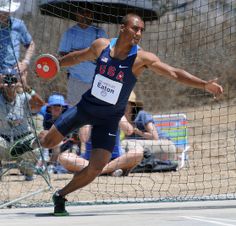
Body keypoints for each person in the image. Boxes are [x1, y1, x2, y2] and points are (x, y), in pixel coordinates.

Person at [34, 13, 222, 215]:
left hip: (109, 119)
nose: (139, 33)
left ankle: (60, 195)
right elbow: (79, 57)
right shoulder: (101, 46)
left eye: (142, 30)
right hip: (85, 108)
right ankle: (32, 139)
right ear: (123, 28)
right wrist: (56, 64)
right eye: (135, 28)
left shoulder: (141, 59)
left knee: (97, 166)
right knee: (47, 143)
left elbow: (174, 73)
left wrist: (204, 85)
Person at [58, 115, 143, 177]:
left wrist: (117, 113)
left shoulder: (116, 111)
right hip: (90, 161)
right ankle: (109, 171)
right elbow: (84, 138)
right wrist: (89, 116)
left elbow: (129, 131)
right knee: (63, 157)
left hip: (115, 160)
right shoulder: (88, 113)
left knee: (138, 153)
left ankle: (100, 171)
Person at [58, 8, 108, 104]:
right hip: (75, 79)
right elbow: (63, 55)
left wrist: (76, 53)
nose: (85, 15)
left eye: (88, 12)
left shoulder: (100, 32)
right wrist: (89, 53)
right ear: (76, 14)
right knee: (74, 111)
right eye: (81, 12)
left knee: (94, 113)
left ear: (92, 14)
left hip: (96, 80)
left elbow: (105, 55)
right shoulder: (70, 33)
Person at [0, 74, 45, 181]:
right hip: (4, 141)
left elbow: (40, 104)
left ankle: (28, 170)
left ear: (17, 84)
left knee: (36, 145)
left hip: (23, 139)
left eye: (13, 81)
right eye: (7, 81)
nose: (10, 84)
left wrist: (27, 88)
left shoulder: (24, 97)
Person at [122, 91, 177, 161]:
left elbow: (155, 137)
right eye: (121, 102)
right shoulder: (122, 120)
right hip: (144, 150)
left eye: (125, 102)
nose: (122, 105)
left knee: (125, 144)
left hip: (165, 145)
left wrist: (139, 132)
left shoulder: (142, 115)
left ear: (132, 105)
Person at [0, 0, 35, 87]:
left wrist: (25, 62)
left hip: (13, 72)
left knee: (15, 97)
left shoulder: (18, 25)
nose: (2, 14)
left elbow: (30, 44)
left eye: (5, 11)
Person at [40, 93, 71, 174]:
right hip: (48, 145)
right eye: (54, 106)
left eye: (59, 106)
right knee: (42, 135)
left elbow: (71, 138)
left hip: (65, 145)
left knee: (56, 143)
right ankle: (42, 164)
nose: (57, 108)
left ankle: (51, 165)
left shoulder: (67, 119)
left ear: (62, 108)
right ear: (50, 108)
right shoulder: (46, 119)